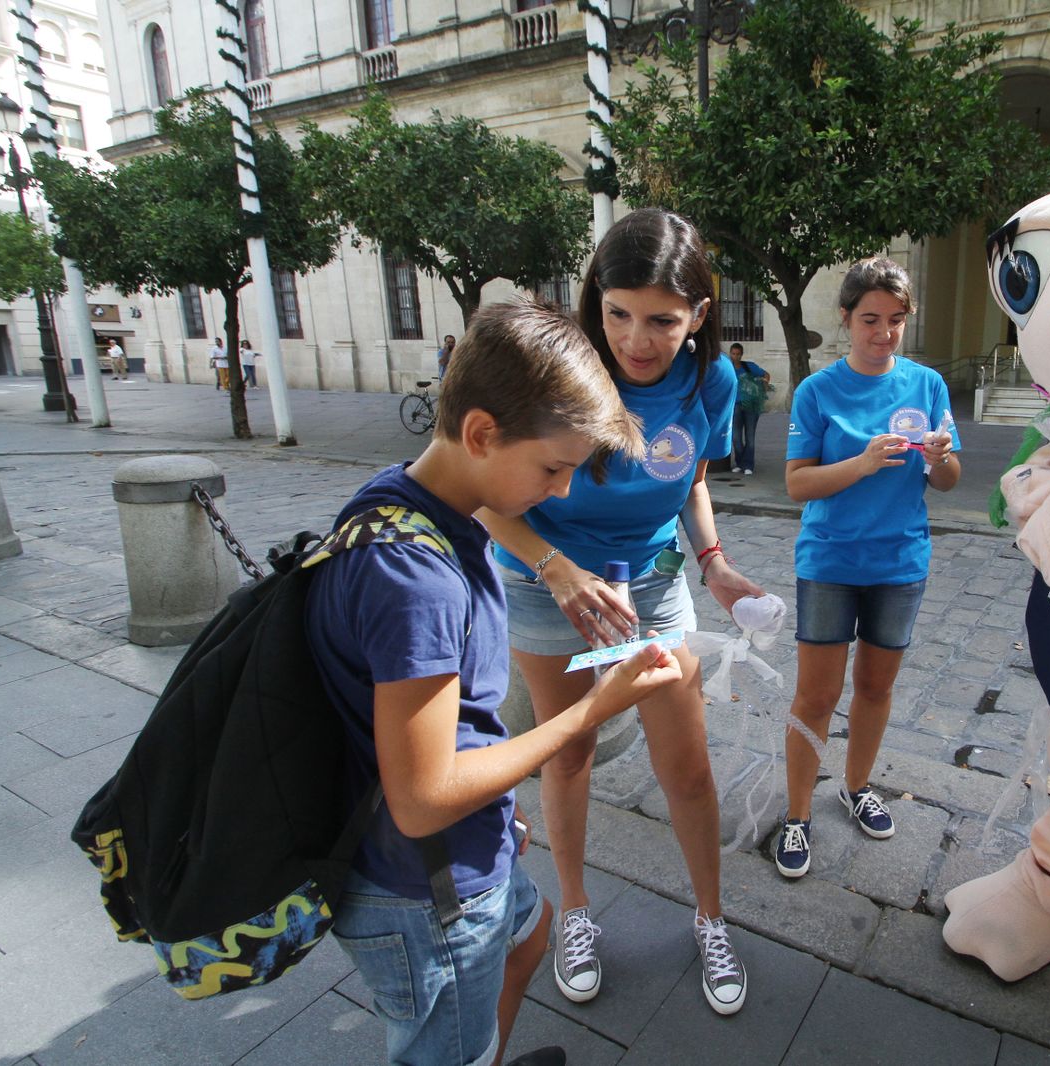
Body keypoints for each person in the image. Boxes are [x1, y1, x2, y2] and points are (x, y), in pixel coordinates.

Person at [305, 298, 677, 1066]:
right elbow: (422, 797)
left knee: (532, 930)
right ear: (481, 433)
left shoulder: (410, 499)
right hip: (427, 890)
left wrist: (493, 805)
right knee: (447, 1049)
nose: (565, 492)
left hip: (464, 854)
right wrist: (592, 713)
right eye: (553, 467)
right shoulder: (417, 583)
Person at [480, 208, 761, 1016]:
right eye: (618, 313)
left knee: (688, 765)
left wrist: (712, 562)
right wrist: (556, 567)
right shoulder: (553, 374)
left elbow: (693, 481)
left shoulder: (712, 379)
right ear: (594, 298)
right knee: (567, 756)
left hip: (652, 582)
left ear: (700, 316)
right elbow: (483, 498)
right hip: (545, 585)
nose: (637, 339)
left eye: (662, 321)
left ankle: (711, 918)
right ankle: (574, 913)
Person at [773, 256, 960, 879]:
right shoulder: (817, 391)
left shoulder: (927, 386)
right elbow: (798, 484)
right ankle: (797, 815)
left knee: (877, 688)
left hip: (901, 560)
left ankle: (857, 786)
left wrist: (937, 458)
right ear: (847, 319)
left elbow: (949, 478)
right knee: (817, 694)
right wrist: (860, 462)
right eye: (871, 319)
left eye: (897, 320)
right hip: (830, 559)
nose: (884, 332)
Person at [726, 343, 769, 474]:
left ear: (742, 354)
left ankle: (748, 465)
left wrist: (764, 386)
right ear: (730, 354)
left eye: (738, 354)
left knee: (750, 437)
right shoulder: (728, 368)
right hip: (735, 406)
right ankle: (740, 463)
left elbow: (766, 375)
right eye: (733, 353)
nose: (735, 356)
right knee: (736, 438)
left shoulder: (749, 366)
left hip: (751, 405)